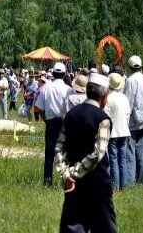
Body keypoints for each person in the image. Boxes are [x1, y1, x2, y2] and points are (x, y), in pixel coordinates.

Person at [55, 73, 117, 233]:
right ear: (104, 96)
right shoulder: (103, 119)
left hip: (73, 186)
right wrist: (76, 173)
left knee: (73, 229)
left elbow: (59, 148)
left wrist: (66, 174)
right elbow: (98, 154)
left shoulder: (71, 114)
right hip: (98, 185)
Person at [35, 62, 73, 185]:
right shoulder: (69, 90)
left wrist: (46, 120)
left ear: (53, 73)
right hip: (64, 122)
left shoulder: (46, 88)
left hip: (51, 122)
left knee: (49, 154)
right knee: (65, 153)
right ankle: (66, 180)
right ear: (64, 74)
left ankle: (47, 181)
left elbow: (39, 108)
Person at [123, 55, 143, 185]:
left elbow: (128, 102)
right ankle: (141, 180)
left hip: (133, 120)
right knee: (141, 151)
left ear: (130, 67)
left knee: (130, 151)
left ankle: (130, 181)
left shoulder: (130, 81)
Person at [104, 73, 130, 190]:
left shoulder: (108, 98)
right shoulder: (124, 98)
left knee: (113, 159)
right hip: (124, 131)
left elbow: (106, 116)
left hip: (113, 132)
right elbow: (128, 114)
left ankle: (115, 185)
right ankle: (123, 186)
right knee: (123, 159)